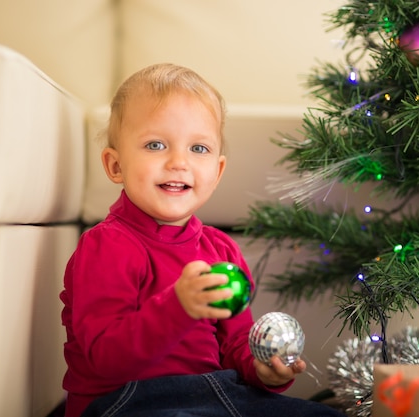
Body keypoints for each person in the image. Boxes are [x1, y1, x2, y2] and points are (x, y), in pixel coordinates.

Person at [59, 63, 346, 417]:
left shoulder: (220, 250)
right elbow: (106, 359)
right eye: (156, 144)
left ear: (218, 171)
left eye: (198, 149)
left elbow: (236, 343)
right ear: (115, 166)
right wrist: (178, 306)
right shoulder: (106, 246)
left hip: (218, 393)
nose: (179, 162)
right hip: (127, 401)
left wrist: (262, 369)